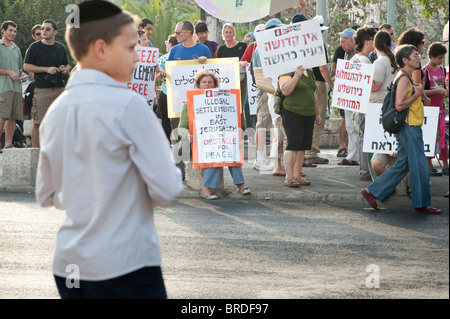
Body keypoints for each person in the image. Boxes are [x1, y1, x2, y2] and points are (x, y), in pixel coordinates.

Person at [36, 0, 182, 299]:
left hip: (70, 265)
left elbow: (46, 194)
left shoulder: (57, 110)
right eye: (130, 47)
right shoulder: (129, 106)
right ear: (101, 49)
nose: (138, 55)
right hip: (125, 265)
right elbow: (166, 189)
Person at [361, 44, 442, 214]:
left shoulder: (407, 77)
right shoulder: (404, 78)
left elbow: (419, 100)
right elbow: (399, 105)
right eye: (415, 55)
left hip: (410, 125)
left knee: (404, 164)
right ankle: (421, 204)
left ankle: (372, 191)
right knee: (419, 165)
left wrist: (421, 95)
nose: (418, 57)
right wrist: (416, 94)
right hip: (409, 126)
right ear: (405, 60)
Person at [178, 69, 251, 199]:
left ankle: (241, 184)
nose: (207, 84)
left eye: (210, 82)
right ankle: (206, 188)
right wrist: (187, 135)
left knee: (229, 148)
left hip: (220, 138)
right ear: (198, 85)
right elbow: (181, 127)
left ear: (215, 85)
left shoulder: (224, 101)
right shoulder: (190, 103)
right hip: (200, 141)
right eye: (204, 82)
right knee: (215, 151)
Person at [23, 19, 69, 148]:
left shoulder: (60, 47)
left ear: (55, 32)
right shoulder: (35, 47)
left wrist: (64, 69)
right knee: (38, 123)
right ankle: (36, 154)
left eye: (47, 29)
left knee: (62, 122)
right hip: (42, 89)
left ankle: (60, 151)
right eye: (42, 29)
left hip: (59, 89)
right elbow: (26, 66)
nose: (44, 31)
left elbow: (66, 64)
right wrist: (46, 69)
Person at [300, 15, 335, 165]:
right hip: (317, 83)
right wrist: (332, 85)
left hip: (304, 82)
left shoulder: (302, 43)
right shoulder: (318, 44)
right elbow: (323, 68)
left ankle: (306, 151)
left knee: (307, 119)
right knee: (318, 118)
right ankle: (311, 152)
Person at [279, 65, 321, 187]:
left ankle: (297, 175)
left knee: (302, 146)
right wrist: (296, 76)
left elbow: (314, 93)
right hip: (292, 111)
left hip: (308, 113)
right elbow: (285, 90)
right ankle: (289, 177)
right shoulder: (287, 70)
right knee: (293, 144)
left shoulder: (309, 71)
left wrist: (317, 113)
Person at [345, 26, 377, 181]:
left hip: (357, 106)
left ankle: (364, 169)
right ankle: (365, 170)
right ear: (367, 42)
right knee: (365, 136)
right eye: (373, 39)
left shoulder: (356, 59)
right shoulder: (363, 60)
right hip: (364, 105)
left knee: (362, 136)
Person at [422, 42, 449, 176]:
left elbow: (444, 89)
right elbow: (421, 91)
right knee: (430, 137)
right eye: (439, 57)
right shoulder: (425, 71)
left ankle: (445, 164)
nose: (441, 60)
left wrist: (445, 90)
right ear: (431, 56)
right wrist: (437, 91)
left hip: (440, 109)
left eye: (443, 57)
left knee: (443, 136)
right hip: (429, 110)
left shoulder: (442, 70)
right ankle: (429, 165)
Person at [0, 20, 26, 153]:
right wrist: (9, 72)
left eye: (15, 31)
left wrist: (23, 75)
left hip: (16, 88)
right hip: (3, 87)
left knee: (12, 117)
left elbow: (19, 68)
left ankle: (8, 144)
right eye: (10, 30)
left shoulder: (16, 48)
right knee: (2, 115)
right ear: (3, 30)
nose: (13, 33)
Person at [336, 28, 359, 166]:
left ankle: (354, 155)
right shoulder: (346, 54)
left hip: (354, 96)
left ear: (352, 41)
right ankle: (351, 154)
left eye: (344, 41)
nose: (342, 44)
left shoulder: (356, 56)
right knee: (350, 126)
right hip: (348, 95)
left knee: (354, 127)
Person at [157, 34, 178, 140]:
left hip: (165, 92)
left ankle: (167, 143)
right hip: (179, 93)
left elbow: (158, 75)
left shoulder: (163, 58)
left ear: (170, 44)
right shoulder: (181, 57)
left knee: (165, 120)